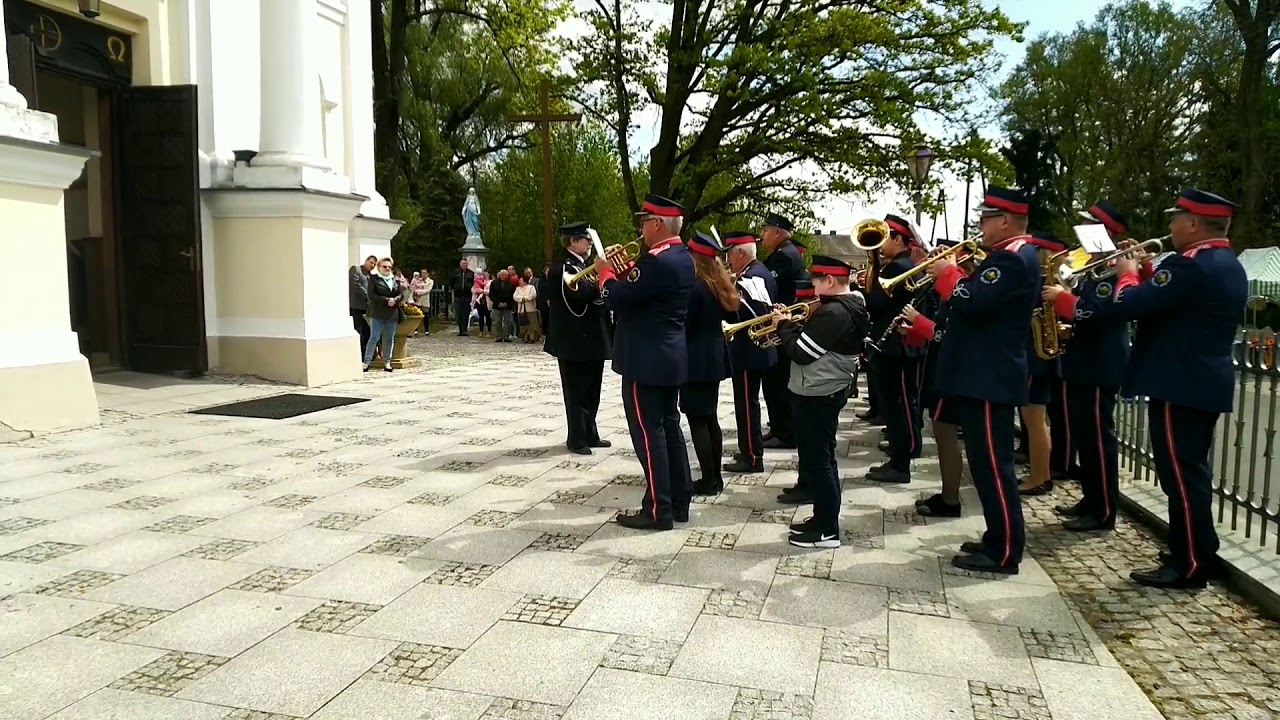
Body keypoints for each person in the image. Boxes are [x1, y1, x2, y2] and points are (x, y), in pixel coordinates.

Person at [1044, 188, 1247, 589]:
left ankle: (1188, 565)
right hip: (1197, 380)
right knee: (1188, 474)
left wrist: (1128, 273)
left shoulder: (1193, 265)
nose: (1170, 224)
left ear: (1192, 223)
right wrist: (1148, 272)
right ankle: (1194, 547)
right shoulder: (1223, 263)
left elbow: (1130, 304)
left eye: (1176, 217)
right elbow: (1167, 302)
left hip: (1181, 381)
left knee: (1181, 478)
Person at [924, 186, 1040, 575]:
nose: (980, 225)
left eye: (986, 219)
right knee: (986, 463)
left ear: (1005, 220)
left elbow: (972, 302)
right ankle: (997, 537)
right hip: (983, 374)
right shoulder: (1008, 258)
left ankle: (1005, 549)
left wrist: (948, 274)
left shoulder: (1012, 260)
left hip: (989, 376)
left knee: (993, 465)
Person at [595, 194, 695, 531]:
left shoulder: (657, 262)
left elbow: (620, 300)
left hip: (645, 359)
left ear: (656, 224)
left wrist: (605, 274)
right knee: (669, 428)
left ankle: (657, 509)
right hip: (670, 357)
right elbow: (645, 295)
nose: (640, 229)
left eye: (643, 222)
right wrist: (627, 273)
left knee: (649, 435)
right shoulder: (682, 257)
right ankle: (679, 500)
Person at [1044, 200, 1132, 533]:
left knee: (1097, 440)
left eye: (1090, 226)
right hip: (1084, 361)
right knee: (1085, 437)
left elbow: (1101, 314)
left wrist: (1062, 299)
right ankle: (1091, 498)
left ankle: (1103, 510)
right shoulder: (1097, 266)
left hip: (1100, 365)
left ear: (1106, 232)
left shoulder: (1112, 268)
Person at [770, 255, 870, 548]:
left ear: (828, 280)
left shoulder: (835, 313)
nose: (812, 287)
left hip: (817, 391)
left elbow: (802, 353)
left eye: (815, 280)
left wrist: (784, 326)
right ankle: (822, 518)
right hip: (821, 388)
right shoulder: (844, 306)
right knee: (821, 457)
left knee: (819, 461)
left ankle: (827, 530)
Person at [900, 238, 970, 518]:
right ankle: (947, 494)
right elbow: (940, 330)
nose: (936, 260)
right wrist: (914, 333)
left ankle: (951, 499)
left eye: (945, 256)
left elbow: (949, 334)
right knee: (942, 435)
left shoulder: (962, 287)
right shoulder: (951, 291)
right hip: (941, 368)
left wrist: (918, 320)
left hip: (952, 373)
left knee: (946, 435)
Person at [865, 214, 928, 485]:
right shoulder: (900, 265)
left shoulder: (896, 268)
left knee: (897, 406)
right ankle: (902, 452)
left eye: (885, 236)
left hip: (895, 348)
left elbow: (876, 302)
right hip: (897, 346)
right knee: (899, 404)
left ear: (898, 239)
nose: (880, 244)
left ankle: (901, 462)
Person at [546, 222, 613, 455]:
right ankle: (576, 438)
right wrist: (601, 279)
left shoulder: (581, 265)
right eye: (586, 239)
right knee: (576, 393)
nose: (590, 244)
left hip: (592, 339)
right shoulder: (562, 267)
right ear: (573, 241)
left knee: (593, 390)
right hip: (573, 340)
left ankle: (590, 433)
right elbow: (577, 297)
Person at [683, 231, 738, 495]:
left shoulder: (696, 286)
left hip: (695, 359)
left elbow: (686, 324)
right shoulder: (717, 283)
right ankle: (715, 477)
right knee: (709, 417)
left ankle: (708, 480)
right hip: (713, 357)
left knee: (697, 419)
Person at [1017, 231, 1069, 496]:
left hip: (1035, 357)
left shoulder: (1040, 280)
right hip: (1042, 356)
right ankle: (1042, 474)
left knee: (1034, 420)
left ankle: (1038, 477)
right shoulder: (1050, 280)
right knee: (1036, 420)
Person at [722, 231, 778, 476]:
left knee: (746, 405)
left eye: (730, 254)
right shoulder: (758, 271)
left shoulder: (751, 278)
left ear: (740, 253)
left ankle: (752, 457)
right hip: (754, 350)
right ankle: (749, 448)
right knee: (747, 404)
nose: (729, 260)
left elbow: (742, 314)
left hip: (748, 350)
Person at [760, 213, 809, 448]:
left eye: (765, 230)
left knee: (777, 381)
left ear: (777, 232)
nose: (762, 236)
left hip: (784, 326)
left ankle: (784, 431)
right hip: (783, 325)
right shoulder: (782, 254)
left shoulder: (784, 257)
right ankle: (779, 427)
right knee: (774, 382)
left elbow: (770, 288)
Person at [364, 257, 401, 372]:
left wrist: (395, 299)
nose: (387, 269)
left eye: (389, 267)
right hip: (377, 312)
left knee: (390, 338)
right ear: (379, 267)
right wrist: (386, 300)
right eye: (384, 266)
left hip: (391, 313)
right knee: (374, 337)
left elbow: (401, 294)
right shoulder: (374, 279)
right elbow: (371, 295)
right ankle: (367, 362)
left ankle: (387, 362)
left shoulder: (394, 279)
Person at [349, 255, 377, 357]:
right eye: (371, 262)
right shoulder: (356, 270)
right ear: (366, 261)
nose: (372, 265)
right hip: (356, 306)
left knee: (368, 331)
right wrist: (369, 296)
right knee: (358, 330)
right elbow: (356, 285)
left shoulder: (371, 276)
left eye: (374, 264)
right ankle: (358, 355)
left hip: (367, 308)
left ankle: (367, 355)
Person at [490, 269, 517, 342]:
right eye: (502, 275)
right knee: (497, 321)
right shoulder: (494, 283)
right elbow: (491, 295)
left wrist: (507, 303)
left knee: (507, 321)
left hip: (508, 306)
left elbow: (513, 296)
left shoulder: (511, 284)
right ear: (499, 275)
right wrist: (498, 303)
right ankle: (499, 335)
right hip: (496, 305)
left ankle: (506, 336)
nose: (504, 277)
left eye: (505, 275)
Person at [450, 259, 475, 336]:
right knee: (459, 313)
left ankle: (465, 330)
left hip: (467, 296)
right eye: (463, 263)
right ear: (460, 264)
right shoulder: (455, 272)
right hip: (458, 296)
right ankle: (460, 330)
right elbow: (451, 281)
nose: (465, 265)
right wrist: (455, 287)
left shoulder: (470, 273)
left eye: (466, 264)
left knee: (466, 313)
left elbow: (473, 283)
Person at [515, 274, 542, 343]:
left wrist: (526, 298)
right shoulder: (518, 289)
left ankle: (533, 337)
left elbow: (533, 295)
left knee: (532, 323)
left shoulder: (531, 287)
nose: (520, 282)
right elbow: (515, 296)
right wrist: (521, 299)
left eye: (521, 281)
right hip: (521, 309)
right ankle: (525, 337)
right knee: (524, 324)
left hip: (530, 308)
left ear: (525, 281)